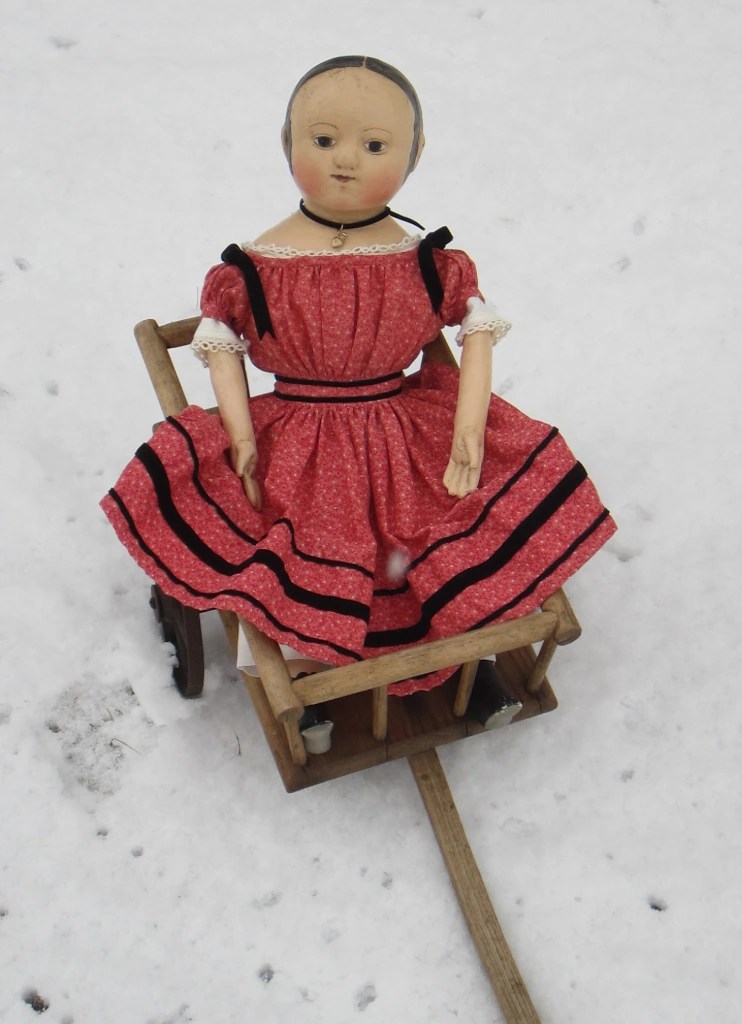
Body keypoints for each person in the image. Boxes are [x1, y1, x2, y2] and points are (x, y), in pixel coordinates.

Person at [101, 56, 616, 740]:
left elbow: (476, 330)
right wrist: (242, 439)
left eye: (375, 146)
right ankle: (307, 678)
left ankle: (471, 662)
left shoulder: (427, 263)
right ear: (287, 142)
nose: (346, 160)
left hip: (402, 426)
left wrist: (469, 428)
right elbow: (224, 350)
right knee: (296, 549)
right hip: (297, 435)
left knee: (436, 540)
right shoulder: (250, 270)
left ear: (414, 155)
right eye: (323, 139)